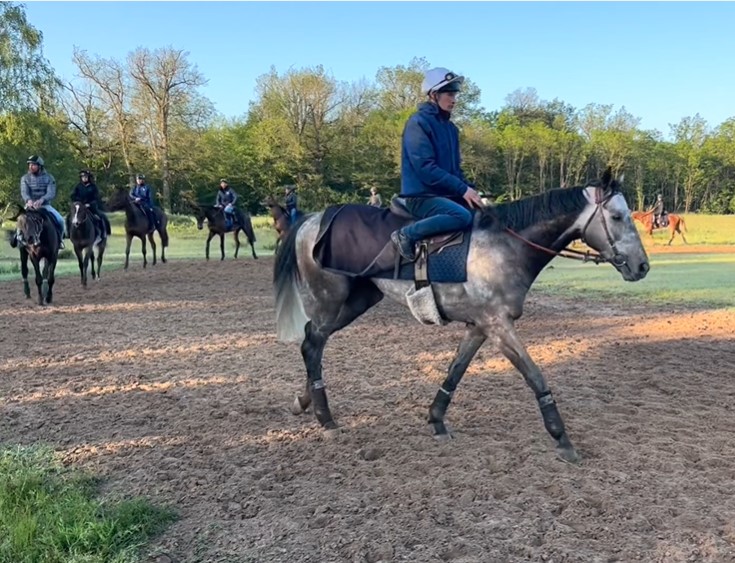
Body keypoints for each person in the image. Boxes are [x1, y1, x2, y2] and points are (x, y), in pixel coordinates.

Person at [390, 67, 484, 262]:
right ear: (434, 95)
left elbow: (455, 171)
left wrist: (471, 191)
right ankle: (406, 235)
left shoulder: (451, 129)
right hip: (421, 197)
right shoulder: (417, 123)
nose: (454, 100)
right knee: (461, 217)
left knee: (484, 215)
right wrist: (462, 189)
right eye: (449, 94)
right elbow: (425, 168)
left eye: (455, 94)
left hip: (445, 195)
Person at [13, 154, 66, 250]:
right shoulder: (25, 178)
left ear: (39, 166)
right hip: (30, 205)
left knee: (61, 220)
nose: (31, 167)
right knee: (20, 219)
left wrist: (42, 200)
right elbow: (24, 191)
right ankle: (18, 238)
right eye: (29, 165)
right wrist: (28, 200)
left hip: (45, 206)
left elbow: (51, 192)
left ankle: (60, 240)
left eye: (33, 165)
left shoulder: (49, 178)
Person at [69, 169, 111, 240]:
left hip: (90, 206)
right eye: (83, 177)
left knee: (101, 216)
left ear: (88, 177)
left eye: (85, 177)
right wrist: (76, 202)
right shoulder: (78, 186)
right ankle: (69, 233)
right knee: (69, 217)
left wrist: (90, 204)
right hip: (80, 206)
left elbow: (96, 198)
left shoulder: (93, 187)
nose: (84, 178)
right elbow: (73, 195)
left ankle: (103, 233)